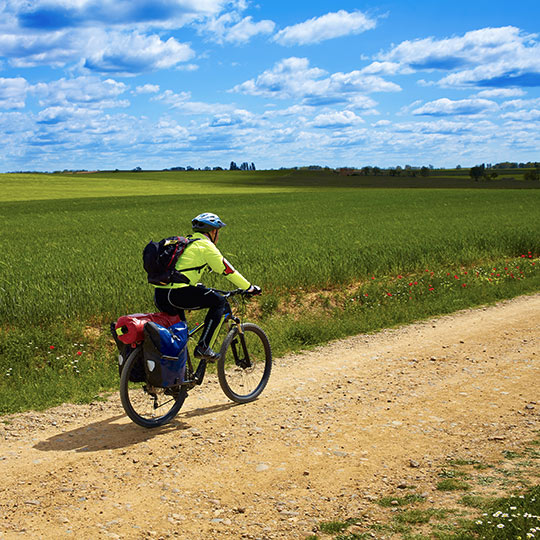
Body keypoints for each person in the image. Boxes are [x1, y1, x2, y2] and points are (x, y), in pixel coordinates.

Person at [153, 212, 260, 361]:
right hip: (178, 294)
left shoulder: (186, 242)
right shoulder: (205, 246)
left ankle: (180, 378)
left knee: (180, 335)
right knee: (219, 302)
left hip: (161, 294)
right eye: (218, 232)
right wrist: (249, 287)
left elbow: (181, 271)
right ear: (213, 231)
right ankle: (203, 346)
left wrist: (195, 285)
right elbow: (228, 270)